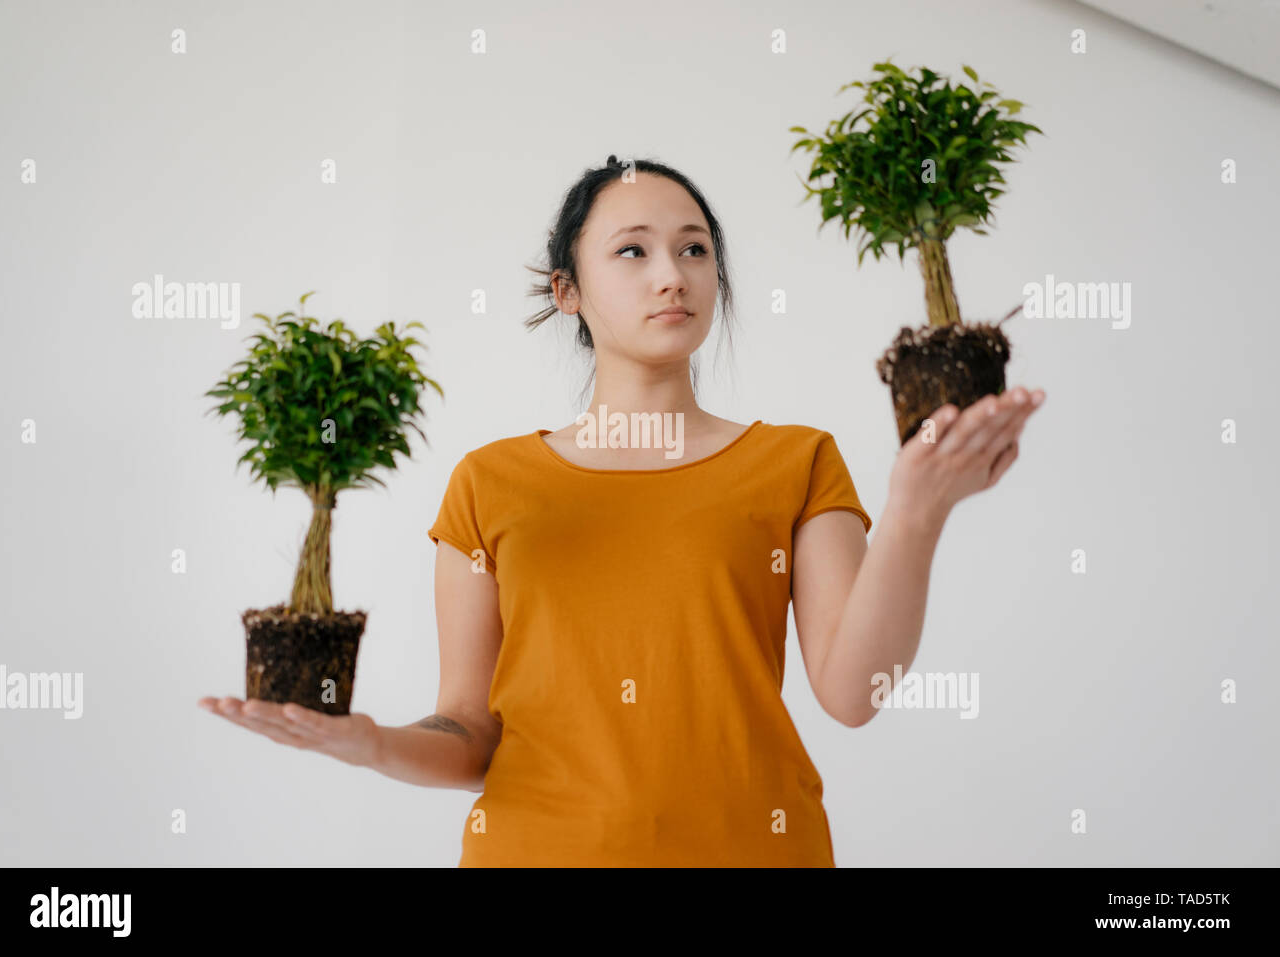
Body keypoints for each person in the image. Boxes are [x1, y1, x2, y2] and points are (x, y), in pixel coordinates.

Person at [199, 154, 1045, 867]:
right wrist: (369, 741)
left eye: (694, 249)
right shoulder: (490, 482)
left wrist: (916, 512)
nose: (672, 274)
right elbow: (468, 730)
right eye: (633, 251)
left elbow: (856, 691)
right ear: (568, 290)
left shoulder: (796, 461)